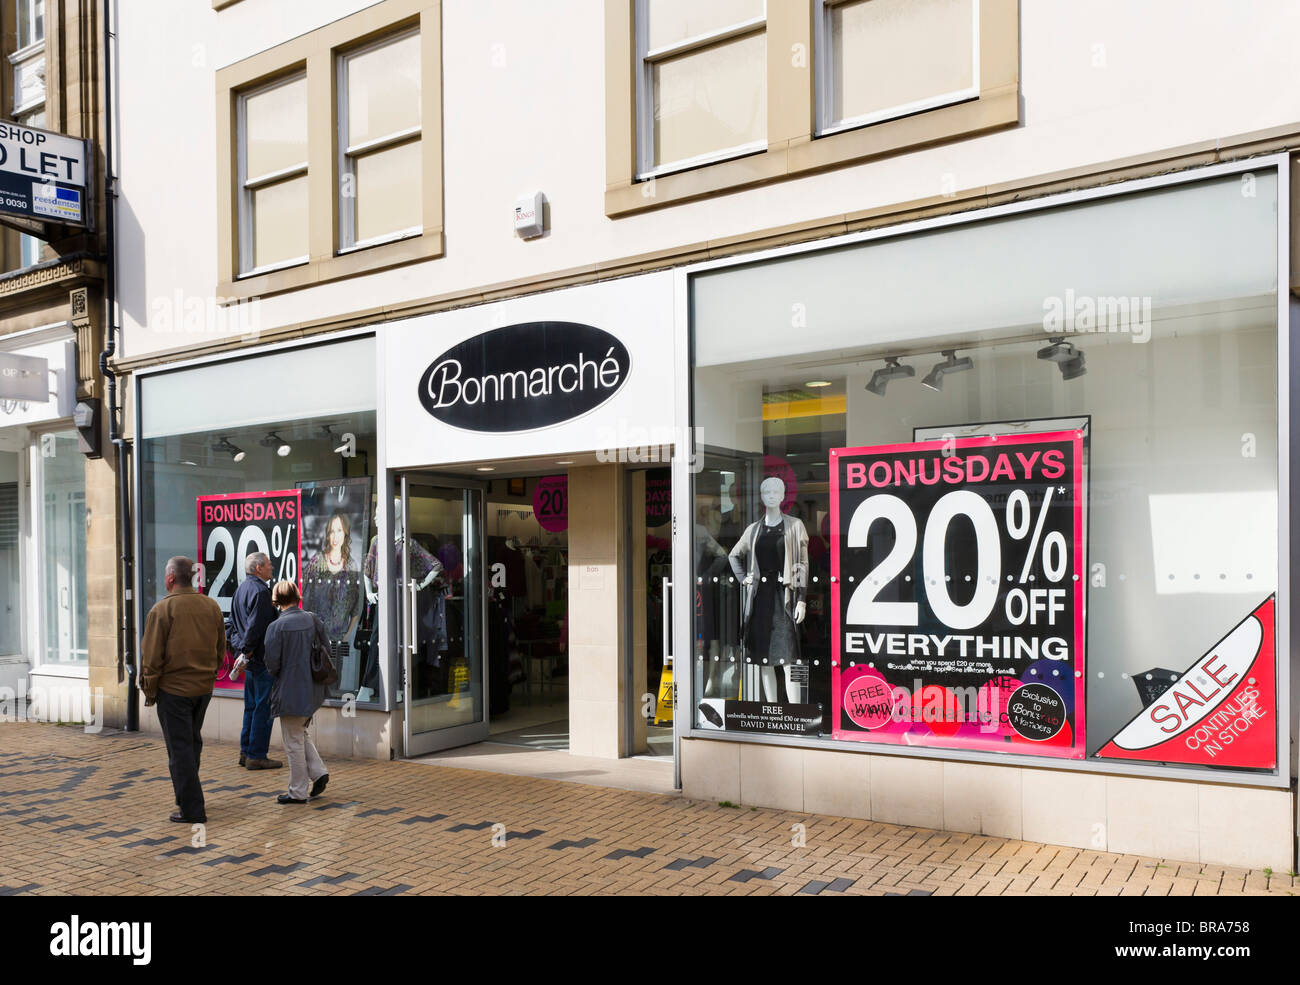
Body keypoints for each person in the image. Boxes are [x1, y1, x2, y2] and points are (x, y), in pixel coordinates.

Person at [139, 556, 226, 824]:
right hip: (203, 687)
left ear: (170, 578)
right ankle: (186, 796)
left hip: (174, 690)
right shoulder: (211, 606)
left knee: (180, 750)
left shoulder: (162, 610)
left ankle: (192, 808)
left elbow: (151, 658)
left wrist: (150, 691)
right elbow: (220, 648)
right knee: (191, 743)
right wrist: (210, 674)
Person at [263, 580, 331, 804]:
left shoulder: (275, 627)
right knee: (299, 733)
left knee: (292, 741)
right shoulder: (312, 619)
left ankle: (297, 792)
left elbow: (272, 664)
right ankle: (319, 772)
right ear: (297, 596)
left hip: (290, 690)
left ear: (276, 601)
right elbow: (327, 650)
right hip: (313, 688)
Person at [229, 552, 281, 770]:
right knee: (263, 707)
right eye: (269, 564)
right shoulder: (261, 592)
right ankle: (257, 755)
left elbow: (231, 625)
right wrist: (247, 651)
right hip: (259, 659)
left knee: (251, 706)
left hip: (249, 659)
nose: (272, 567)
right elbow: (256, 627)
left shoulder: (241, 589)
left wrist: (240, 651)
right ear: (258, 568)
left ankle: (246, 751)